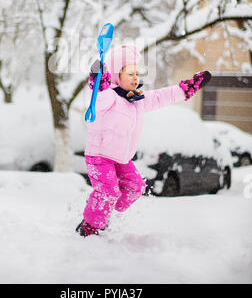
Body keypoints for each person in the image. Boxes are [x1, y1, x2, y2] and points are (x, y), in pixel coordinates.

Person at [76, 45, 211, 237]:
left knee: (135, 187)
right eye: (129, 73)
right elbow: (97, 100)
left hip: (121, 158)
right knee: (108, 192)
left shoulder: (136, 99)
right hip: (99, 156)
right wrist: (99, 82)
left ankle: (102, 212)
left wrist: (185, 89)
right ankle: (88, 228)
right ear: (115, 75)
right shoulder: (109, 96)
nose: (135, 77)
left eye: (136, 73)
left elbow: (160, 97)